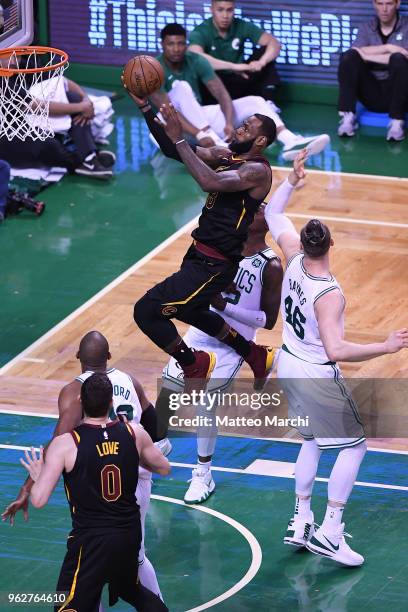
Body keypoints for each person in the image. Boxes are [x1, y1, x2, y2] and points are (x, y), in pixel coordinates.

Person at [264, 183, 408, 566]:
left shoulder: (292, 258)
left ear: (306, 244)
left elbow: (272, 214)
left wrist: (291, 181)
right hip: (314, 371)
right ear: (331, 244)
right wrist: (386, 345)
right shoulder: (329, 292)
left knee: (310, 440)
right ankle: (330, 530)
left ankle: (301, 519)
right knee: (354, 445)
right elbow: (337, 350)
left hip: (288, 361)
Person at [157, 154, 306, 504]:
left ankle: (203, 474)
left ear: (263, 222)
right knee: (168, 385)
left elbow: (268, 321)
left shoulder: (269, 265)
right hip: (201, 329)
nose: (248, 209)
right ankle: (160, 439)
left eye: (255, 209)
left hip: (234, 343)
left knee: (206, 404)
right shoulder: (221, 245)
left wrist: (227, 306)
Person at [2, 330, 169, 599]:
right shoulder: (130, 381)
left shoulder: (74, 391)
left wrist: (26, 490)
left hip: (97, 482)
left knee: (93, 559)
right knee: (135, 556)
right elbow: (156, 425)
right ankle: (157, 603)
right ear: (109, 357)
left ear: (78, 357)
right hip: (136, 479)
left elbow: (57, 443)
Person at [131, 96, 278, 391]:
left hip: (215, 263)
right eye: (241, 124)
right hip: (200, 253)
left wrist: (181, 141)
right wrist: (146, 108)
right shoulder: (226, 156)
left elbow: (211, 182)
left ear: (260, 140)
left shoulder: (257, 171)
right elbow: (171, 150)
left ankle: (193, 363)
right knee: (189, 310)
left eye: (247, 127)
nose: (239, 128)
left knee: (146, 311)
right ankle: (255, 354)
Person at [153, 23, 330, 161]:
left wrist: (229, 123)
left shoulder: (195, 60)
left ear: (186, 44)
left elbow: (222, 94)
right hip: (170, 128)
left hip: (201, 123)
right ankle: (217, 145)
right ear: (162, 44)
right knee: (182, 88)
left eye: (180, 43)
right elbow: (167, 110)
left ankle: (289, 140)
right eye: (171, 44)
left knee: (255, 100)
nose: (176, 49)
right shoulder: (151, 68)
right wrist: (201, 134)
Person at [0, 54, 114, 179]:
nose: (15, 60)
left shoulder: (20, 65)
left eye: (18, 57)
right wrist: (82, 107)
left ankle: (89, 155)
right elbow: (37, 106)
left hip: (25, 121)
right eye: (7, 56)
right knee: (45, 142)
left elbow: (63, 81)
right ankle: (79, 163)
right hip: (5, 137)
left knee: (74, 98)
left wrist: (86, 100)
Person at [337, 0, 408, 141]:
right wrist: (388, 48)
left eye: (389, 4)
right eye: (380, 4)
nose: (384, 9)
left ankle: (397, 122)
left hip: (398, 95)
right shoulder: (366, 27)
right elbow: (356, 51)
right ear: (374, 4)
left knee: (399, 59)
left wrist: (367, 56)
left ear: (398, 4)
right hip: (371, 93)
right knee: (348, 56)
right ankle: (347, 117)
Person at [189, 0, 281, 103]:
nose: (225, 15)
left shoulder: (242, 25)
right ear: (211, 10)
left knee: (265, 52)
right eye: (220, 10)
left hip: (240, 78)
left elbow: (274, 43)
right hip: (215, 83)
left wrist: (261, 62)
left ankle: (268, 102)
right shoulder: (200, 31)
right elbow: (196, 57)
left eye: (229, 10)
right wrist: (233, 67)